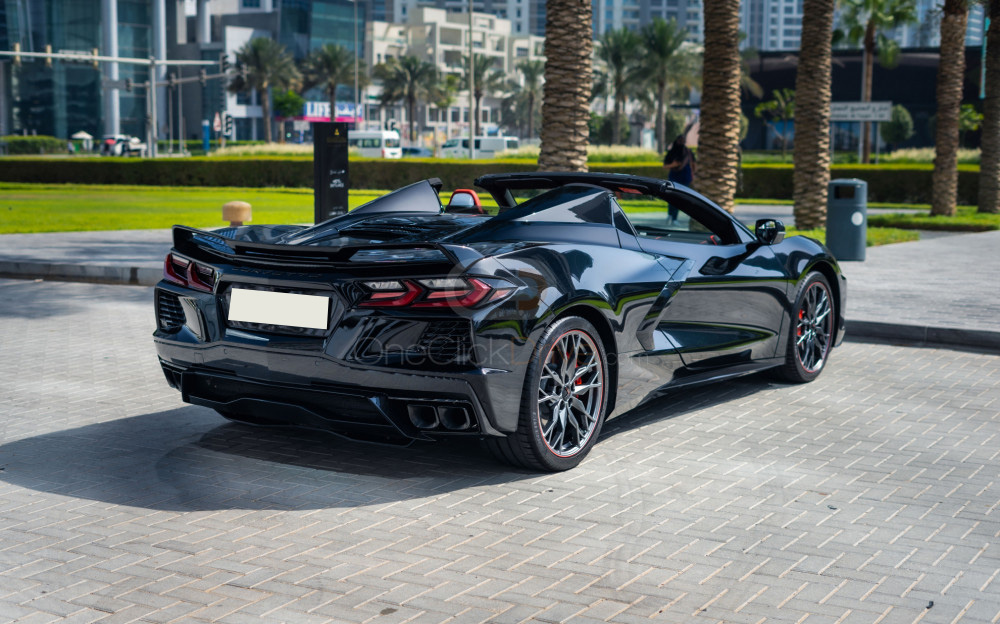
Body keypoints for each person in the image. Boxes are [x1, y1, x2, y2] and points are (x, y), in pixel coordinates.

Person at [663, 134, 695, 224]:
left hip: (685, 177)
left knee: (680, 198)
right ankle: (671, 215)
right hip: (674, 177)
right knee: (672, 196)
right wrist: (673, 165)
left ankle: (674, 218)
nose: (682, 142)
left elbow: (693, 164)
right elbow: (665, 166)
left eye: (683, 140)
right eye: (680, 140)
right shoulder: (672, 152)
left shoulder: (688, 152)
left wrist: (693, 174)